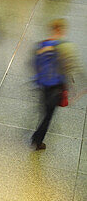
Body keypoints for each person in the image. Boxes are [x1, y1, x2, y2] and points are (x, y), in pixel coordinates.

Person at [31, 19, 82, 150]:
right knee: (48, 116)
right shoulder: (64, 46)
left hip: (43, 84)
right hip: (56, 86)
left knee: (45, 111)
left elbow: (35, 63)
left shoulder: (42, 45)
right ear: (60, 30)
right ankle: (37, 140)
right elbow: (68, 66)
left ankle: (37, 137)